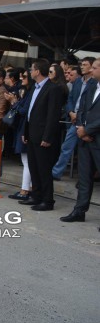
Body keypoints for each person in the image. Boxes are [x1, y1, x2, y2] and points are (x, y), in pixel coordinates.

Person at [20, 58, 65, 211]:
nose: (30, 72)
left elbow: (53, 115)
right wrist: (25, 132)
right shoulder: (34, 87)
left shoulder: (53, 89)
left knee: (44, 169)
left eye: (31, 69)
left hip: (43, 136)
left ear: (37, 71)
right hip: (32, 134)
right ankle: (36, 196)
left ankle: (47, 200)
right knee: (34, 167)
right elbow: (30, 112)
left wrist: (47, 137)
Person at [60, 59, 100, 223]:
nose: (91, 70)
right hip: (84, 139)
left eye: (95, 68)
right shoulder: (91, 86)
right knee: (84, 178)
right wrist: (80, 128)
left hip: (97, 139)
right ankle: (79, 211)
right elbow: (81, 108)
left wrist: (87, 130)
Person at [52, 57, 95, 180]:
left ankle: (86, 177)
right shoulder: (77, 82)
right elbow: (69, 99)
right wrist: (71, 112)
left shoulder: (95, 83)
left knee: (87, 152)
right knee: (66, 147)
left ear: (92, 67)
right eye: (81, 64)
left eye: (85, 64)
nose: (82, 66)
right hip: (74, 120)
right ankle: (56, 173)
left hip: (87, 122)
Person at [6, 68, 34, 201]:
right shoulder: (27, 91)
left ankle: (25, 190)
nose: (22, 79)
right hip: (23, 127)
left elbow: (23, 111)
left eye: (25, 77)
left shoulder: (31, 92)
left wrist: (14, 101)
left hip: (25, 128)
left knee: (27, 161)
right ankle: (28, 188)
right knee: (27, 161)